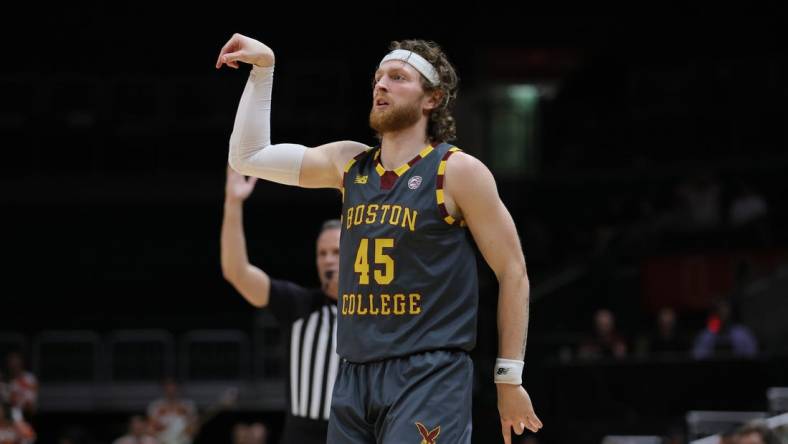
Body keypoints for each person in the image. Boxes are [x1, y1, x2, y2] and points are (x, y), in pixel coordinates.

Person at [216, 33, 542, 444]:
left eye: (398, 77)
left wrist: (509, 377)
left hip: (427, 374)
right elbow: (248, 157)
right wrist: (264, 70)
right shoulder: (348, 164)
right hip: (353, 374)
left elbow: (513, 270)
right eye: (378, 77)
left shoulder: (457, 172)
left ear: (432, 99)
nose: (381, 85)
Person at [221, 166, 340, 443]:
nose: (328, 259)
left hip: (354, 433)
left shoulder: (373, 309)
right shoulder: (298, 304)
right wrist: (233, 203)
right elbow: (236, 272)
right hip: (302, 434)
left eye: (336, 251)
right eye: (321, 253)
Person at [147, 378, 198, 444]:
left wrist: (187, 431)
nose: (171, 391)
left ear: (178, 389)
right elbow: (150, 428)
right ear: (164, 390)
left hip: (182, 440)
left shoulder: (188, 406)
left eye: (173, 387)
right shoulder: (156, 406)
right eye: (168, 388)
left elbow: (194, 428)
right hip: (163, 440)